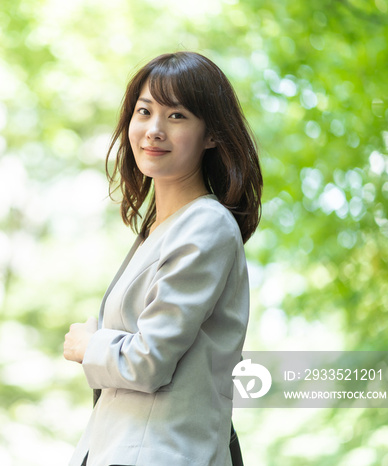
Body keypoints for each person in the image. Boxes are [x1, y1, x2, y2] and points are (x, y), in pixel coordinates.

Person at [63, 51, 262, 466]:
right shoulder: (158, 231)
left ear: (211, 134)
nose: (154, 130)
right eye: (144, 111)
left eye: (177, 116)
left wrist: (90, 344)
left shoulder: (206, 225)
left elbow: (149, 361)